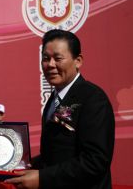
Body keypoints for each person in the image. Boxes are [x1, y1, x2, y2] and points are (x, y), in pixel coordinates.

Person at [6, 29, 115, 189]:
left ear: (78, 60)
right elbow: (55, 155)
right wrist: (20, 166)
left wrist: (42, 178)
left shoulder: (93, 98)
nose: (50, 65)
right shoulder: (53, 99)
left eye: (58, 58)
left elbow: (95, 161)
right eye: (45, 58)